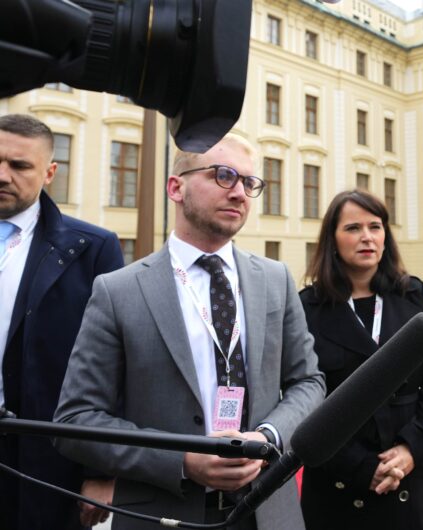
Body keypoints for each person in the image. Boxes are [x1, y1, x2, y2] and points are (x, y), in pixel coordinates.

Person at [53, 134, 325, 530]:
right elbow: (76, 420)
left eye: (250, 183)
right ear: (175, 187)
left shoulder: (275, 279)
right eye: (224, 176)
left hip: (267, 511)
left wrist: (268, 436)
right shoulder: (118, 291)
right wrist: (182, 460)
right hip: (163, 511)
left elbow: (309, 382)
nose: (240, 193)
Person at [298, 189, 423, 529]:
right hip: (338, 482)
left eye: (375, 226)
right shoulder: (308, 307)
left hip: (409, 476)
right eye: (353, 228)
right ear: (332, 239)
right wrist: (359, 466)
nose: (367, 237)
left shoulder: (413, 295)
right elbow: (300, 394)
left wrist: (412, 447)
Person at [0, 114, 124, 530]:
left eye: (19, 166)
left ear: (50, 172)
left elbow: (114, 366)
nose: (3, 175)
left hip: (44, 464)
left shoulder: (93, 249)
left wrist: (101, 469)